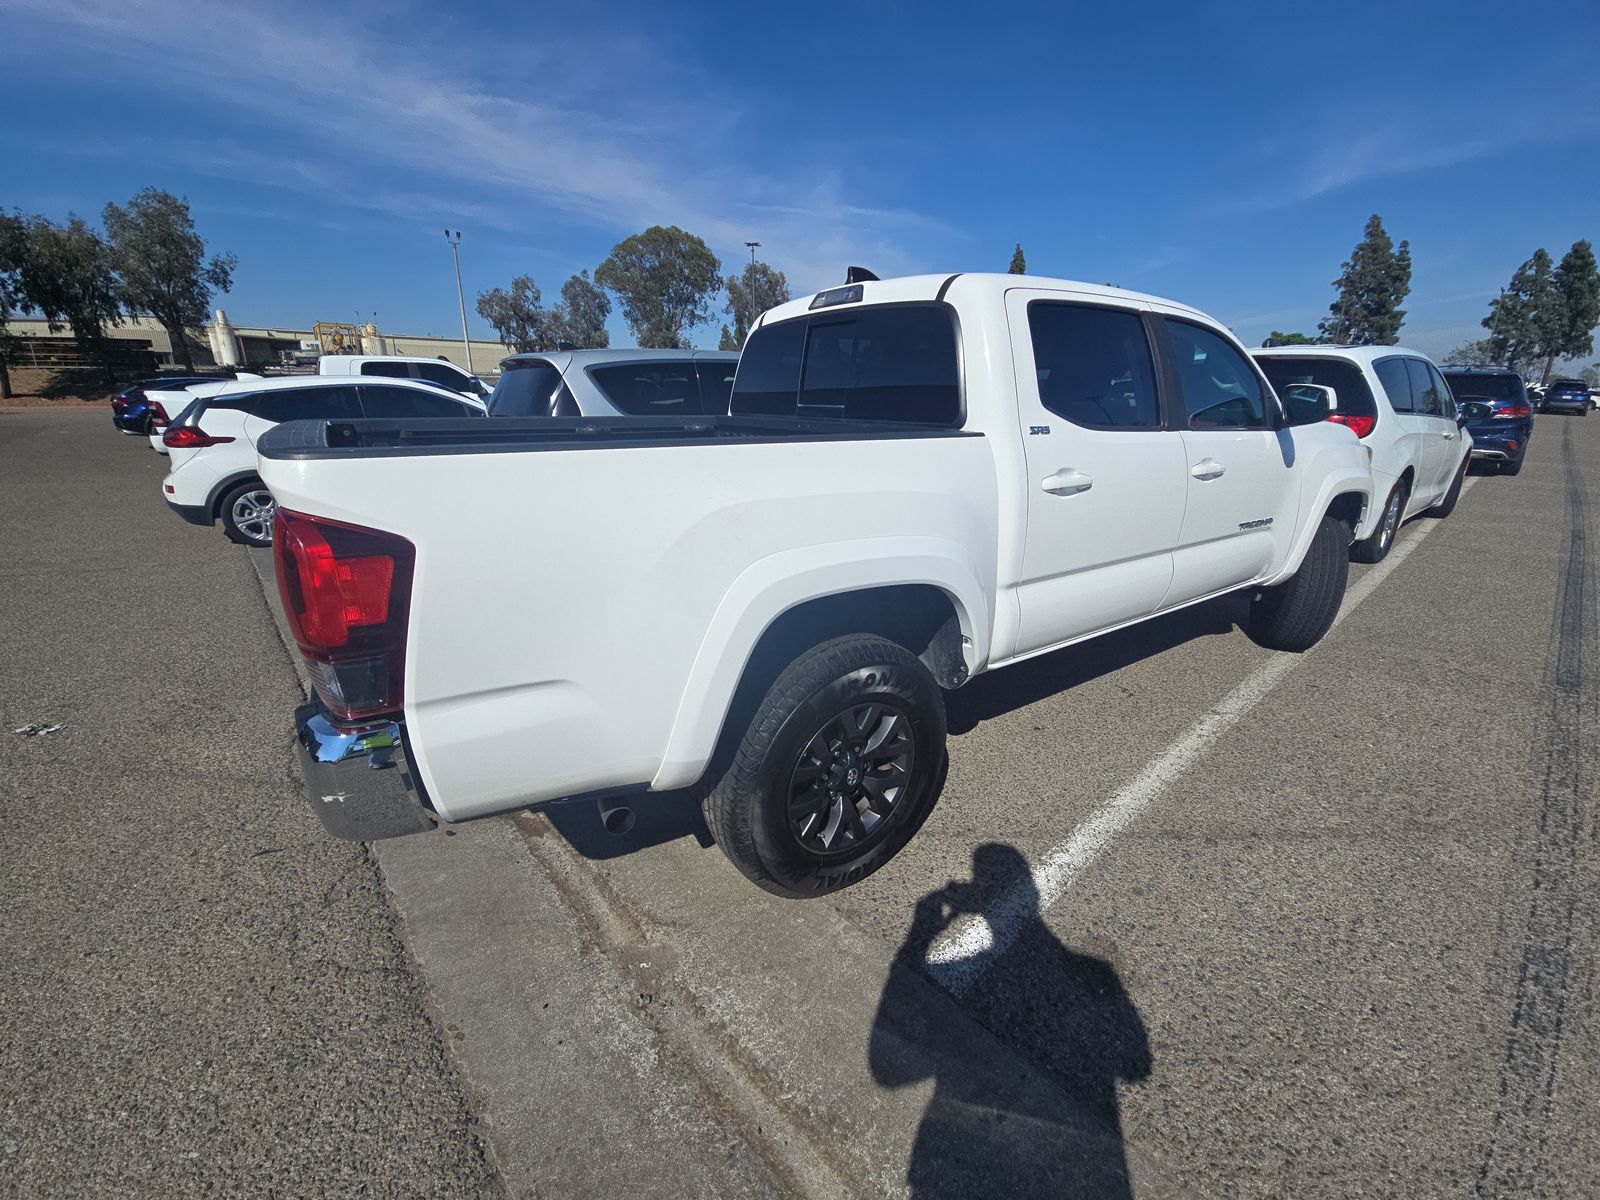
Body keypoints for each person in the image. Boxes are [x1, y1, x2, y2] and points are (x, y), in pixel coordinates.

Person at [870, 844, 1152, 1198]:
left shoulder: (1090, 970)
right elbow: (1137, 1066)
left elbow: (888, 1072)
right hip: (1076, 1175)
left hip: (952, 1165)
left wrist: (920, 932)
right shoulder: (1095, 971)